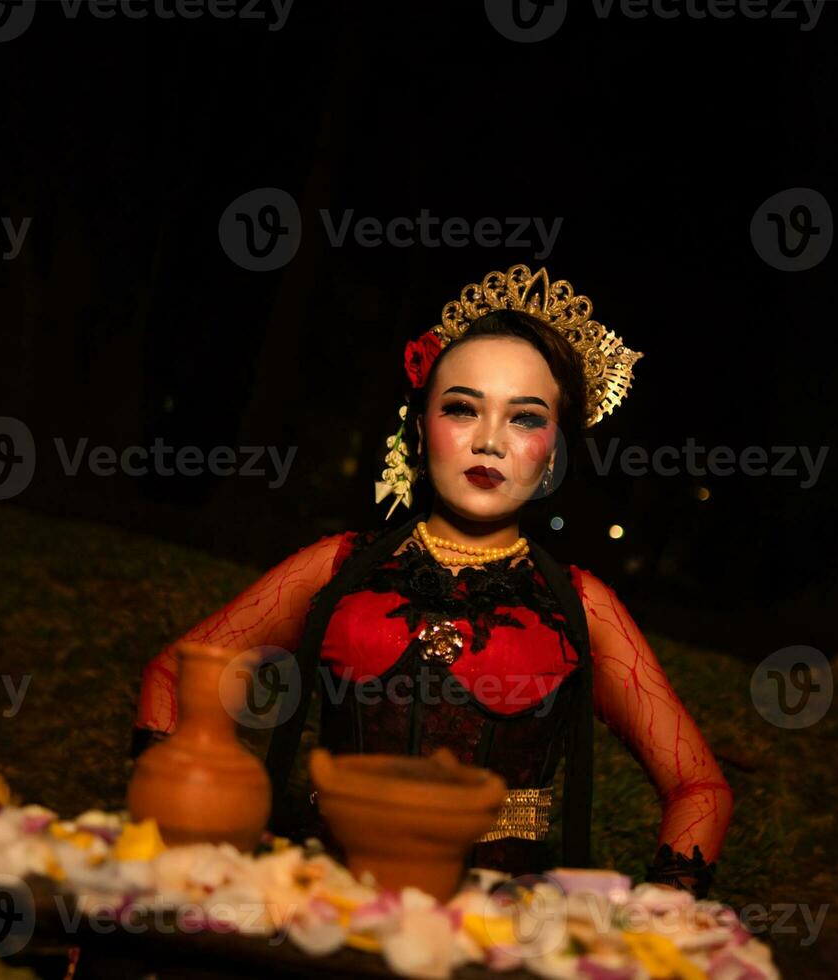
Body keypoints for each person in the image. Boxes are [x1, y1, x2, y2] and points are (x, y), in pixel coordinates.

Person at [134, 265, 731, 894]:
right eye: (462, 408)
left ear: (554, 451)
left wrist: (659, 919)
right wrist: (161, 850)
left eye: (525, 418)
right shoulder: (336, 567)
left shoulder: (581, 607)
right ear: (420, 430)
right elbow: (173, 673)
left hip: (493, 941)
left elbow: (700, 787)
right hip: (319, 911)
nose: (490, 441)